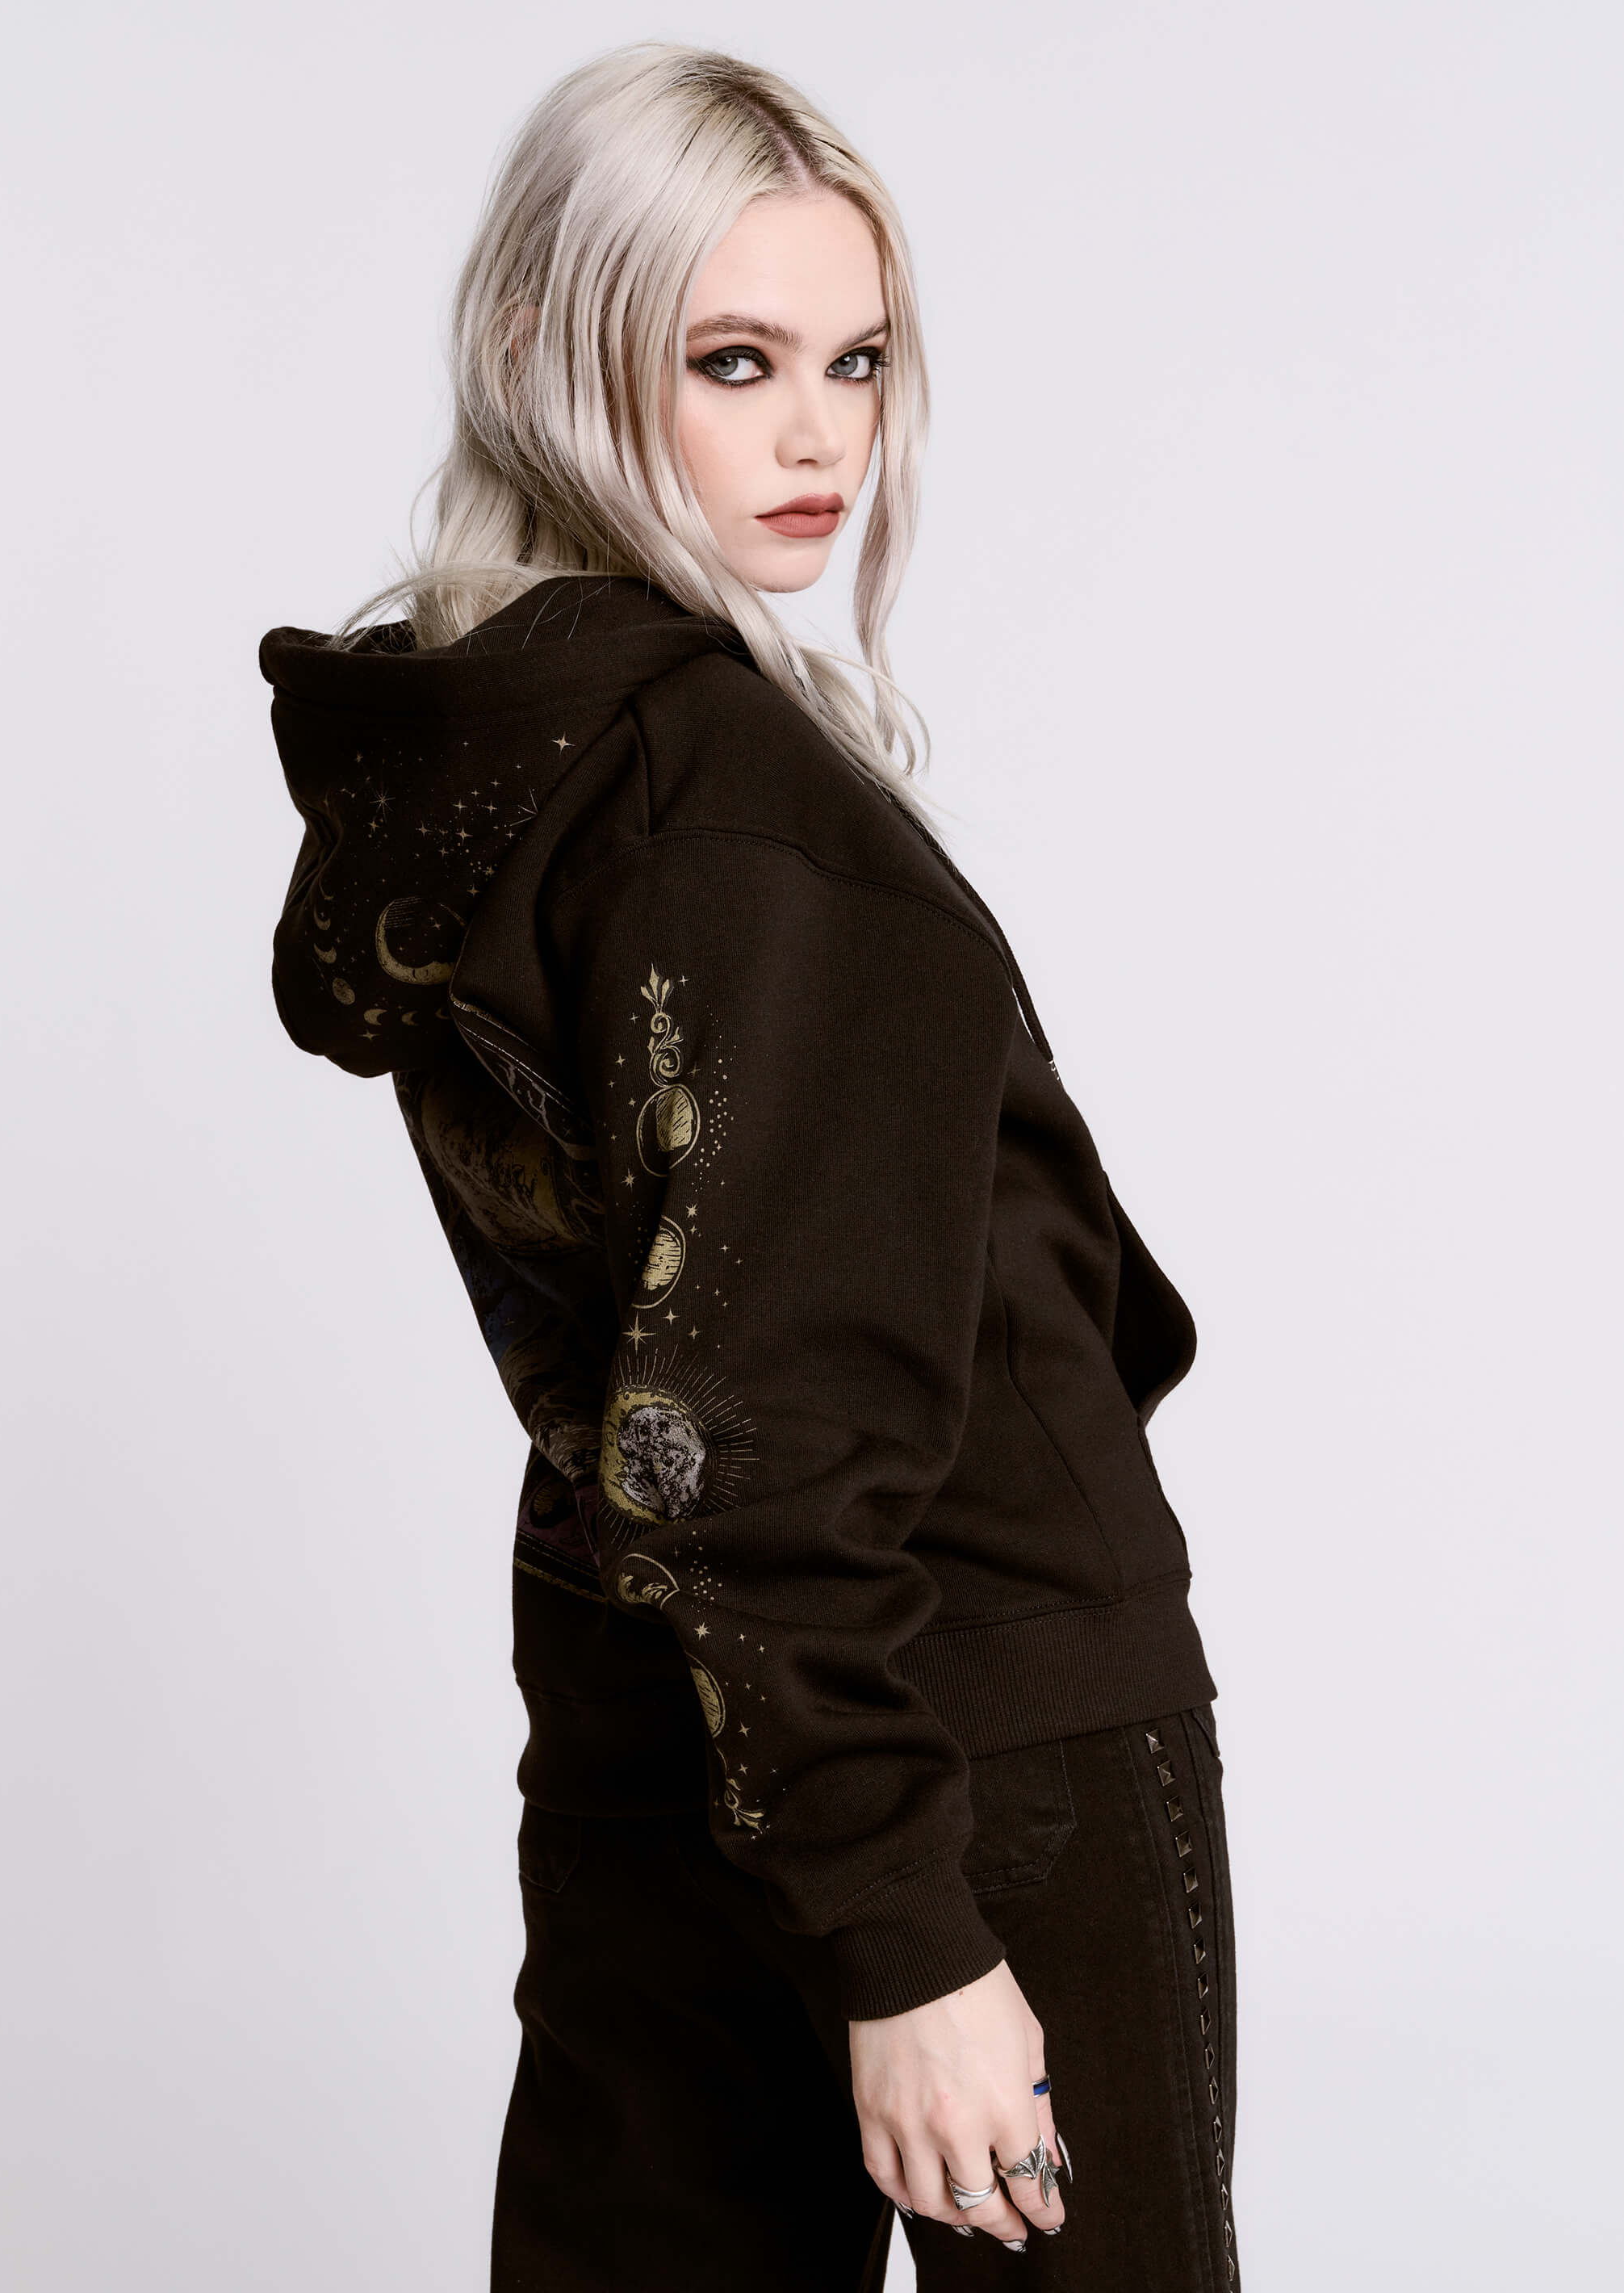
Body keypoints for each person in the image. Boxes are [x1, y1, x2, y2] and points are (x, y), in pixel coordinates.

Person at [262, 43, 1237, 2293]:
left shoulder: (493, 768)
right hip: (959, 1726)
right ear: (546, 346)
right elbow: (772, 1414)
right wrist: (908, 1934)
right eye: (733, 362)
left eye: (856, 362)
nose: (819, 439)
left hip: (657, 1703)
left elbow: (679, 1372)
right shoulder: (743, 812)